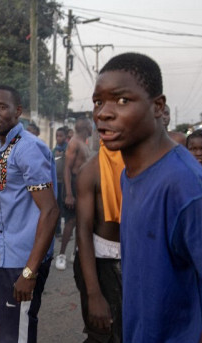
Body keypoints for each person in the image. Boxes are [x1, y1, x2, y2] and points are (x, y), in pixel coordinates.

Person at [94, 52, 202, 342]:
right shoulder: (128, 175)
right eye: (98, 102)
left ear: (158, 106)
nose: (103, 112)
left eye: (121, 100)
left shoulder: (187, 187)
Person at [0, 85, 59, 343]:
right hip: (5, 253)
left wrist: (29, 273)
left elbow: (50, 210)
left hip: (23, 260)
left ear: (18, 111)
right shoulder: (2, 147)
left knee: (16, 336)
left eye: (2, 107)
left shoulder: (27, 148)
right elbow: (13, 201)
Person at [74, 140, 124, 342]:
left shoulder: (151, 163)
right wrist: (94, 294)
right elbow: (83, 232)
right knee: (104, 335)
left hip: (139, 261)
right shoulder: (91, 170)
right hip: (102, 262)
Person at [56, 117, 92, 271]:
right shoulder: (74, 143)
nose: (92, 129)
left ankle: (75, 254)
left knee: (81, 221)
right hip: (73, 185)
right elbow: (67, 168)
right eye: (90, 126)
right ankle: (61, 255)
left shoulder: (84, 144)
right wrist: (69, 194)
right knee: (70, 222)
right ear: (85, 127)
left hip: (82, 187)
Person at [52, 127, 69, 237]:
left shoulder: (68, 149)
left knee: (64, 207)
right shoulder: (54, 149)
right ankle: (57, 230)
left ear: (66, 137)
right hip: (55, 182)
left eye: (61, 136)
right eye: (57, 136)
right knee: (56, 206)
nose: (58, 138)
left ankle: (67, 229)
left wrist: (63, 154)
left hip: (65, 182)